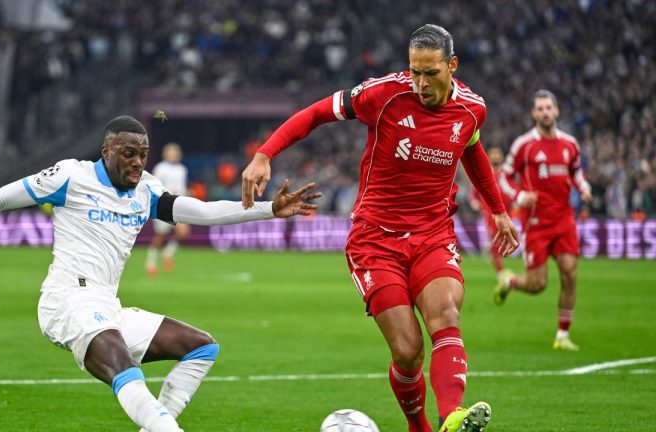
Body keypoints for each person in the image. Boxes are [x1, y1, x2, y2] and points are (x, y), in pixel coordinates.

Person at [0, 116, 320, 432]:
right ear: (106, 150)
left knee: (202, 347)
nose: (137, 162)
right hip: (66, 301)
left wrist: (268, 209)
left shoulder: (145, 189)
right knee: (125, 368)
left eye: (142, 153)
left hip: (106, 304)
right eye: (128, 153)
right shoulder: (72, 176)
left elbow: (202, 213)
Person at [242, 24, 519, 432]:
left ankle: (451, 418)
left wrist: (498, 209)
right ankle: (419, 426)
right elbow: (318, 112)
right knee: (408, 351)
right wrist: (266, 153)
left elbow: (472, 149)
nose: (421, 83)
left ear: (452, 66)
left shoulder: (472, 108)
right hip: (375, 240)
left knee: (445, 313)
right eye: (415, 72)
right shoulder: (384, 94)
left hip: (433, 235)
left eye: (431, 73)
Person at [495, 90, 592, 351]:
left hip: (564, 219)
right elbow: (503, 176)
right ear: (533, 113)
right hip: (536, 222)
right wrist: (518, 195)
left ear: (557, 111)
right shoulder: (524, 145)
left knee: (570, 274)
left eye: (549, 107)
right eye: (540, 108)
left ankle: (562, 336)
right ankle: (511, 281)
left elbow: (576, 172)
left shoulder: (570, 144)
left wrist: (583, 187)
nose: (545, 112)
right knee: (538, 284)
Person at [468, 147, 513, 275]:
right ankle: (501, 273)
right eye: (492, 155)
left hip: (507, 213)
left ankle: (496, 259)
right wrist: (476, 203)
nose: (495, 157)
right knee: (496, 240)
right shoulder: (485, 174)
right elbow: (474, 193)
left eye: (497, 154)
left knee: (502, 240)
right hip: (491, 214)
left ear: (502, 158)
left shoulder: (506, 175)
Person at [147, 142, 190, 276]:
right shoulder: (160, 168)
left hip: (178, 205)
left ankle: (168, 253)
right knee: (160, 236)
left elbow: (182, 187)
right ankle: (151, 262)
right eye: (170, 152)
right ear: (165, 154)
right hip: (163, 204)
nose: (173, 154)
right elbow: (154, 186)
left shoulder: (182, 169)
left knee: (183, 232)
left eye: (175, 152)